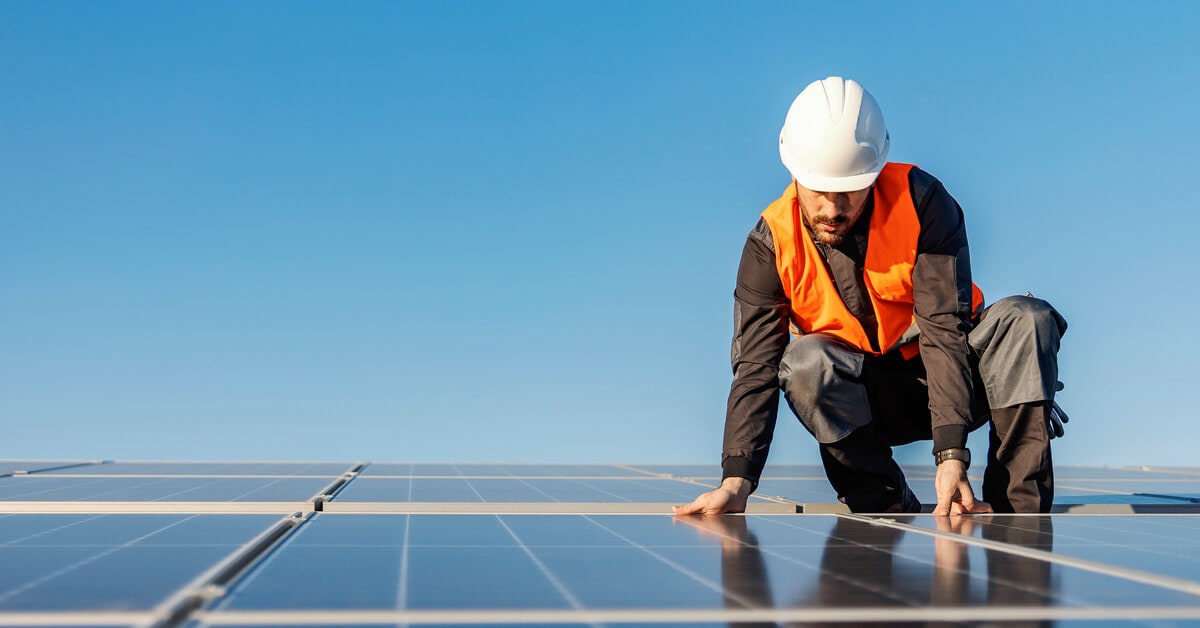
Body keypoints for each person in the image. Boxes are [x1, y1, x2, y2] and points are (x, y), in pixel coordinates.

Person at [673, 76, 1068, 516]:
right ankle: (884, 504)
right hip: (863, 402)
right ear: (794, 172)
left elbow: (944, 328)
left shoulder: (922, 203)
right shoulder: (770, 246)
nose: (833, 208)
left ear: (875, 173)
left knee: (1026, 320)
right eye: (820, 190)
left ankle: (1017, 513)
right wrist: (736, 481)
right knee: (804, 364)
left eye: (849, 191)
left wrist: (952, 455)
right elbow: (755, 369)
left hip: (954, 376)